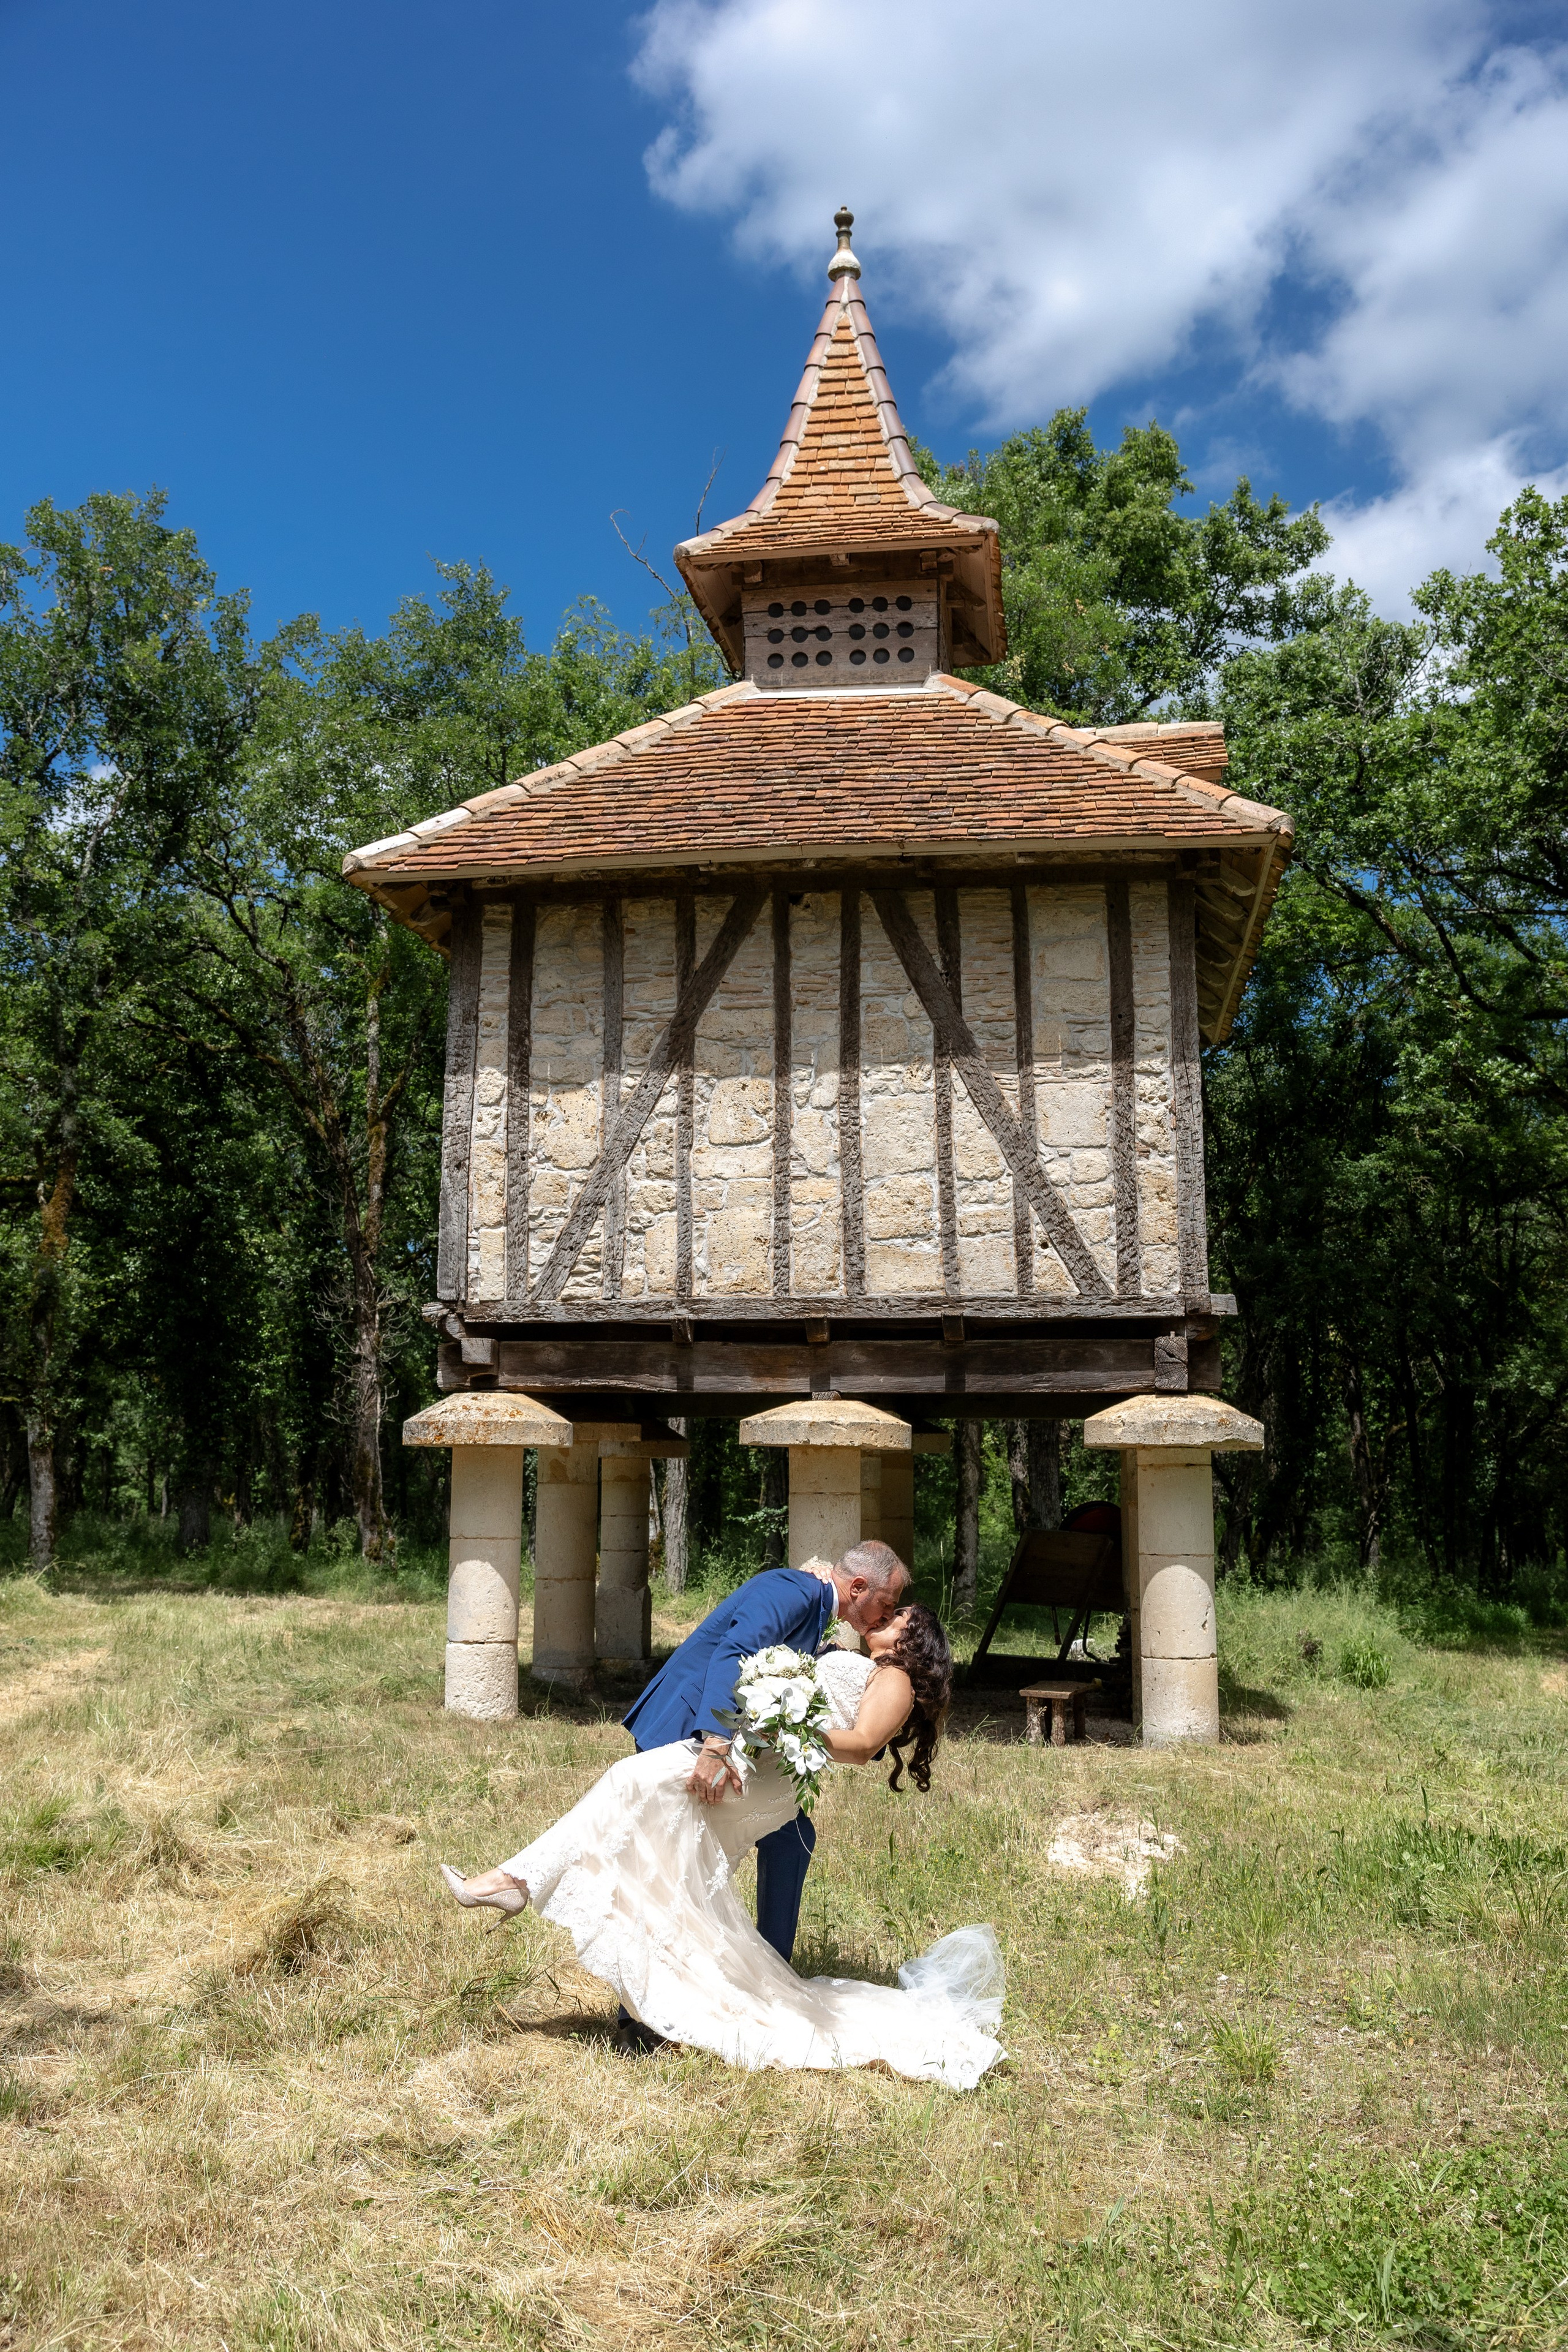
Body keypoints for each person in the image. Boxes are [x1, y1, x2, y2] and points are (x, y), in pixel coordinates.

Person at [439, 1604, 1005, 2090]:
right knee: (663, 1855)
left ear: (913, 1639)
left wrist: (788, 1722)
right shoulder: (859, 1659)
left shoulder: (898, 1680)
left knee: (628, 1781)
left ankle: (513, 1884)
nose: (884, 1617)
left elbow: (859, 1746)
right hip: (755, 1760)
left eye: (896, 1617)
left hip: (768, 1775)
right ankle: (654, 2002)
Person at [623, 1537, 910, 1970]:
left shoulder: (819, 1610)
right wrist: (716, 1746)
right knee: (670, 1860)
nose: (887, 1615)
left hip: (742, 1752)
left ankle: (770, 1970)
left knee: (793, 1838)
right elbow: (735, 1654)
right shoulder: (794, 1591)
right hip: (689, 1728)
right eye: (887, 1604)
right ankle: (636, 2011)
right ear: (857, 1587)